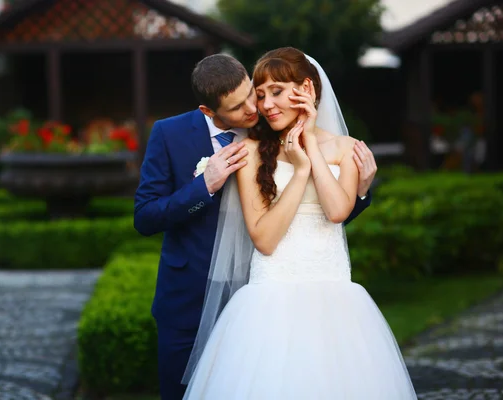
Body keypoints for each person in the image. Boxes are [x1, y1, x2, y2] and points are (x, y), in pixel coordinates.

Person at [134, 53, 377, 400]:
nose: (255, 108)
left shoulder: (275, 122)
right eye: (239, 106)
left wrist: (361, 194)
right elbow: (144, 216)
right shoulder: (169, 134)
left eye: (254, 92)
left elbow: (317, 219)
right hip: (194, 293)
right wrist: (204, 186)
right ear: (209, 111)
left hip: (271, 288)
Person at [182, 47, 416, 399]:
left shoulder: (345, 147)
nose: (266, 104)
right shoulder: (249, 152)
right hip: (270, 299)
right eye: (260, 95)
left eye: (276, 91)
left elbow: (337, 211)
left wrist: (310, 148)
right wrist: (300, 170)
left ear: (306, 89)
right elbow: (263, 239)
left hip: (336, 298)